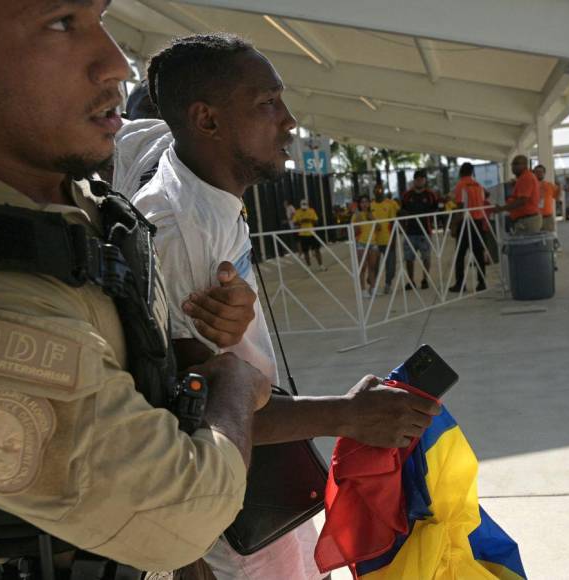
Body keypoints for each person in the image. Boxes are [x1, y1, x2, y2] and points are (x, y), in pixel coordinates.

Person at [0, 3, 277, 578]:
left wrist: (197, 344)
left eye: (99, 16)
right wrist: (232, 381)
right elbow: (182, 513)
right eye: (62, 23)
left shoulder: (51, 196)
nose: (115, 63)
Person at [129, 33, 440, 580]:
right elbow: (192, 412)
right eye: (267, 104)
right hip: (228, 524)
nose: (289, 120)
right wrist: (349, 415)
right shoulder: (178, 231)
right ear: (207, 120)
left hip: (257, 490)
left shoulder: (210, 204)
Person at [449, 163, 487, 292]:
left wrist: (454, 225)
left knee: (460, 254)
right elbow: (485, 196)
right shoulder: (478, 185)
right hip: (478, 221)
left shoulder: (461, 185)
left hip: (465, 222)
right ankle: (482, 282)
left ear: (460, 172)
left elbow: (460, 206)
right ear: (472, 172)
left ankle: (460, 284)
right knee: (478, 253)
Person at [399, 169, 439, 289]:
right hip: (410, 232)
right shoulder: (407, 195)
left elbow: (436, 209)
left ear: (425, 180)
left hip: (425, 232)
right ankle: (410, 281)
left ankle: (425, 279)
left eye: (422, 179)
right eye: (417, 179)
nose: (419, 181)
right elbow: (401, 211)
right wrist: (402, 226)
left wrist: (432, 220)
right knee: (409, 258)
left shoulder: (431, 194)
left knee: (426, 257)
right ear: (414, 180)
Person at [493, 155, 542, 234]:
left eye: (516, 164)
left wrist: (501, 208)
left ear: (524, 165)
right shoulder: (524, 177)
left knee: (525, 245)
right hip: (526, 219)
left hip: (527, 221)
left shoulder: (526, 177)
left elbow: (522, 201)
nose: (513, 167)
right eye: (513, 164)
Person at [369, 185, 398, 294]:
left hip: (388, 239)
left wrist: (394, 238)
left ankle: (388, 284)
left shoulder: (389, 205)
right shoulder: (370, 205)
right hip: (374, 241)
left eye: (380, 189)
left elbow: (393, 222)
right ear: (373, 191)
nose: (378, 191)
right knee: (373, 265)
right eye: (376, 189)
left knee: (390, 264)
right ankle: (373, 285)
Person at [351, 195, 377, 297]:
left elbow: (378, 227)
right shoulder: (356, 216)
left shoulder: (372, 213)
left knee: (372, 267)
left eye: (366, 202)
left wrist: (372, 219)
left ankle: (373, 287)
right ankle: (363, 290)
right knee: (362, 267)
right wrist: (358, 221)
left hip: (373, 243)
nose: (364, 204)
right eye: (362, 202)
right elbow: (354, 231)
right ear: (359, 204)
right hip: (361, 243)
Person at [534, 164, 562, 252]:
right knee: (536, 241)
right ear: (534, 173)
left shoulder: (549, 185)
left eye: (541, 172)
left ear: (544, 173)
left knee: (550, 239)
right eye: (537, 172)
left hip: (547, 217)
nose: (539, 174)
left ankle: (551, 256)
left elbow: (557, 198)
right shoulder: (531, 185)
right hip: (534, 218)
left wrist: (560, 187)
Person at [293, 199, 326, 271]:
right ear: (300, 206)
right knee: (306, 251)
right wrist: (301, 221)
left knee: (317, 250)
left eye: (305, 206)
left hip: (312, 233)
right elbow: (294, 223)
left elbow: (316, 222)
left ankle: (321, 265)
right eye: (303, 207)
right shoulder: (297, 212)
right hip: (303, 234)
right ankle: (309, 266)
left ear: (307, 205)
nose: (304, 208)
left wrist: (310, 220)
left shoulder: (311, 211)